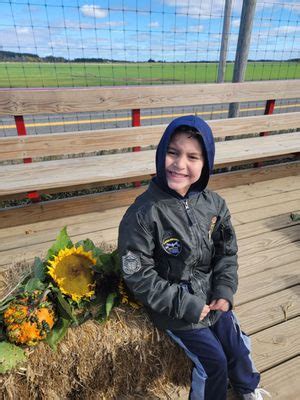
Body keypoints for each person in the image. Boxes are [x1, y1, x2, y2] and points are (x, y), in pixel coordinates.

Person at [118, 115, 270, 400]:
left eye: (193, 157)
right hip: (174, 309)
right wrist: (184, 304)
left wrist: (224, 291)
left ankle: (247, 387)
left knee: (236, 345)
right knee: (213, 363)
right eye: (173, 153)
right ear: (161, 152)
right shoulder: (142, 214)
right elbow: (138, 275)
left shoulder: (214, 205)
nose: (180, 164)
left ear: (206, 163)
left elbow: (226, 252)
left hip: (211, 293)